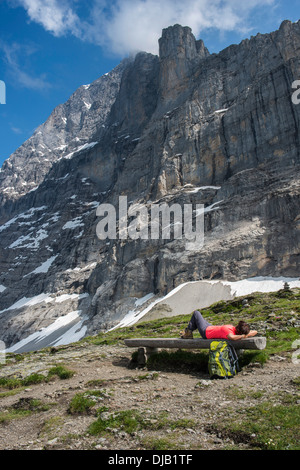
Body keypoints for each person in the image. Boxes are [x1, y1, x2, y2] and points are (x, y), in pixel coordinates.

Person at [180, 310, 257, 341]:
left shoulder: (229, 332)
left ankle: (188, 333)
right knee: (199, 320)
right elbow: (255, 332)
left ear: (238, 327)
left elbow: (231, 337)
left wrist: (243, 336)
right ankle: (188, 332)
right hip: (210, 327)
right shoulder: (235, 332)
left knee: (196, 313)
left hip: (206, 332)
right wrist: (245, 335)